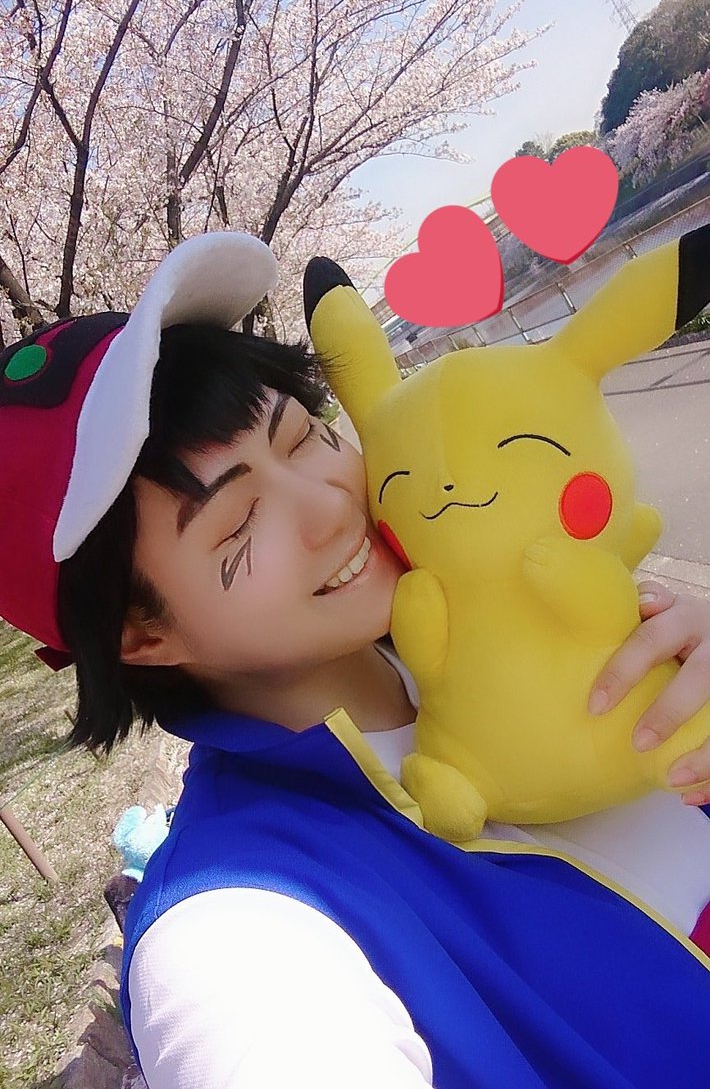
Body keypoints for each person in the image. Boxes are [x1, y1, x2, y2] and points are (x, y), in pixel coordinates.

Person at [2, 230, 710, 1088]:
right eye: (237, 524)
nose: (331, 505)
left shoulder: (526, 611)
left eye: (304, 437)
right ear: (141, 637)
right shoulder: (241, 920)